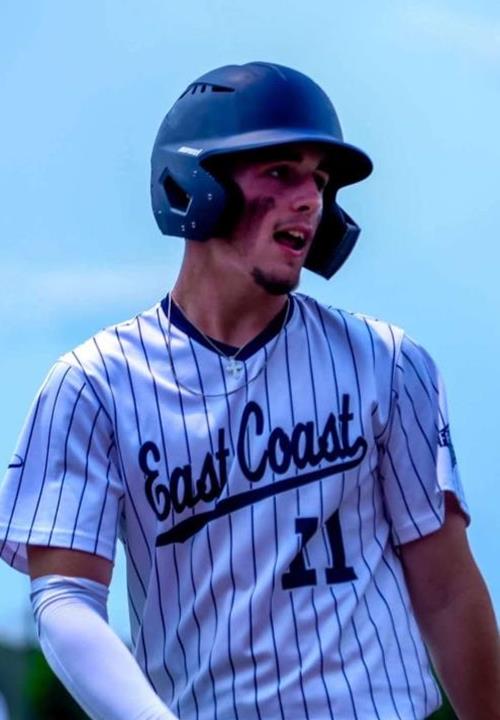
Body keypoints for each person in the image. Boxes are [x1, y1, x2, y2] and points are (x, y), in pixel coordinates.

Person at [0, 61, 498, 720]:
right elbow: (65, 599)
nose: (311, 199)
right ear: (193, 184)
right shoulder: (94, 385)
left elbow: (447, 590)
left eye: (320, 181)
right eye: (281, 172)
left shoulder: (388, 362)